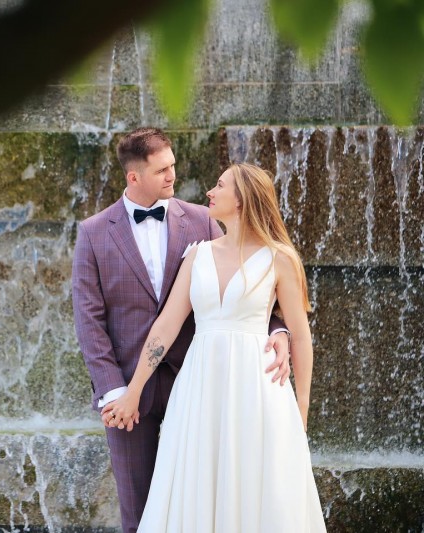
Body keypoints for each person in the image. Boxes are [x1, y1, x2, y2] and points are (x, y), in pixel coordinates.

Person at [71, 128, 291, 533]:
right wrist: (116, 392)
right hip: (128, 392)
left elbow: (247, 284)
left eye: (172, 165)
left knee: (201, 505)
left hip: (198, 387)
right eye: (161, 170)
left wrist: (278, 331)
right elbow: (89, 321)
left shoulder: (203, 220)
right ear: (134, 177)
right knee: (139, 513)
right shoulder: (94, 232)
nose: (172, 175)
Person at [103, 163, 326, 532]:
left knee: (258, 485)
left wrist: (300, 411)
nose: (210, 191)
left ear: (241, 200)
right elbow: (166, 327)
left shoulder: (280, 258)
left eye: (220, 185)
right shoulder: (198, 256)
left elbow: (301, 336)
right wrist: (134, 390)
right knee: (197, 483)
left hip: (258, 390)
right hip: (199, 389)